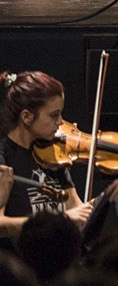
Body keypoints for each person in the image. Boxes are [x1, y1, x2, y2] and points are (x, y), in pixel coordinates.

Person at [1, 71, 94, 234]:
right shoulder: (4, 158)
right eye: (54, 115)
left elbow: (78, 210)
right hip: (20, 258)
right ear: (27, 117)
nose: (60, 122)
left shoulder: (53, 154)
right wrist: (62, 219)